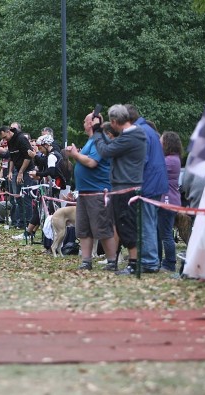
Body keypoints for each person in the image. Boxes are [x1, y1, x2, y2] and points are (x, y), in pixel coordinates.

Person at [93, 104, 147, 276]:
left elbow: (105, 151)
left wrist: (96, 133)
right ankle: (132, 263)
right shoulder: (130, 136)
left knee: (127, 225)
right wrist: (101, 132)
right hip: (123, 186)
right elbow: (113, 146)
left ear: (115, 121)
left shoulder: (131, 137)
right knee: (124, 225)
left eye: (111, 122)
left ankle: (134, 264)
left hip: (126, 187)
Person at [64, 112, 117, 271]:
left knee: (102, 229)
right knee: (83, 229)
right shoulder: (91, 141)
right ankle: (86, 261)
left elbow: (92, 162)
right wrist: (75, 154)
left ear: (94, 122)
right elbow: (84, 160)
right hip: (85, 192)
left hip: (98, 192)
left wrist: (75, 154)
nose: (83, 123)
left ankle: (112, 261)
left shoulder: (100, 140)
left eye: (86, 120)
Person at [126, 104, 168, 273]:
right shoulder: (148, 130)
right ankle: (150, 259)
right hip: (155, 182)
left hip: (148, 184)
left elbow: (140, 160)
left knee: (146, 224)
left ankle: (149, 262)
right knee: (149, 223)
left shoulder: (140, 132)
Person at [157, 131, 183, 272]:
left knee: (166, 234)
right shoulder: (173, 159)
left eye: (161, 141)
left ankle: (170, 262)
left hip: (167, 200)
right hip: (168, 200)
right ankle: (163, 261)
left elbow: (154, 170)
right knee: (163, 233)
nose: (159, 143)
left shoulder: (170, 161)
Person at [1, 123, 35, 229]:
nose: (4, 140)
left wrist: (21, 173)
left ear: (8, 132)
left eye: (5, 137)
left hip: (27, 170)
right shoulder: (10, 141)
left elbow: (28, 157)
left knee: (26, 197)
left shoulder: (21, 138)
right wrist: (10, 172)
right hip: (17, 170)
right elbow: (12, 157)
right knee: (18, 197)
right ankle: (20, 223)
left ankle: (28, 223)